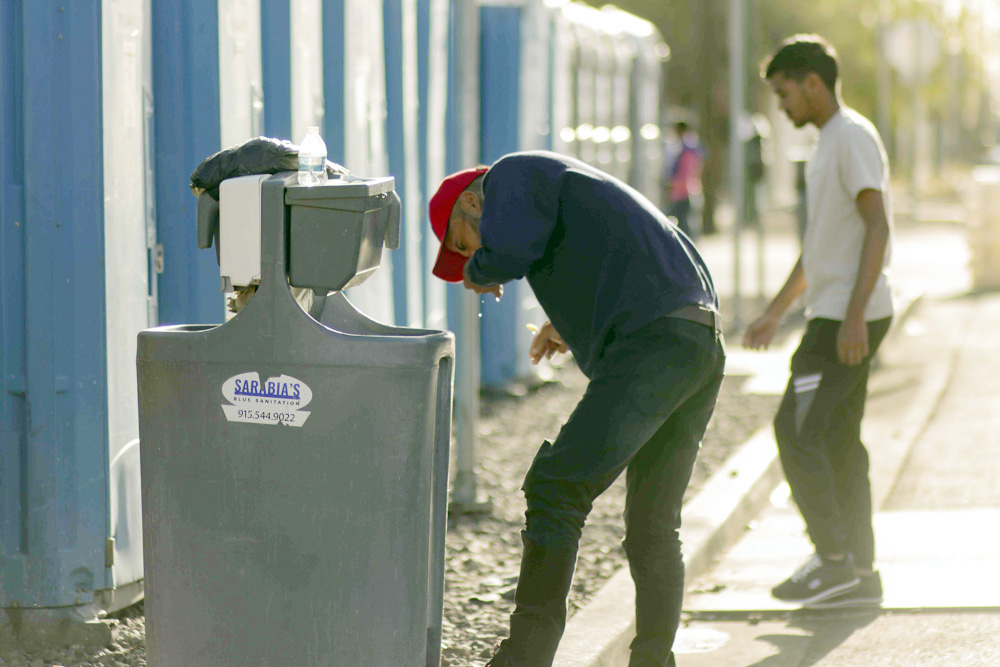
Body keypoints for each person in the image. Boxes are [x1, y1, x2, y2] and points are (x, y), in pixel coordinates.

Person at [428, 150, 725, 666]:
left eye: (462, 243)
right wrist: (568, 322)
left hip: (655, 344)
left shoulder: (509, 175)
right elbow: (607, 255)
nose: (470, 256)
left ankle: (524, 659)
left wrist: (480, 268)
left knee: (557, 486)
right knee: (653, 524)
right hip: (696, 341)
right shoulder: (557, 185)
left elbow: (510, 251)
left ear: (472, 203)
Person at [744, 34, 894, 609]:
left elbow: (877, 225)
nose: (782, 106)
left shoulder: (850, 136)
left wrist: (854, 317)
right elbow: (821, 248)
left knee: (795, 429)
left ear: (812, 82)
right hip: (836, 314)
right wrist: (774, 312)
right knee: (837, 440)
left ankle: (832, 562)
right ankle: (858, 572)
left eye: (785, 93)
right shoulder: (830, 141)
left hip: (842, 322)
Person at [664, 121, 703, 237]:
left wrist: (673, 184)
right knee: (682, 222)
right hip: (684, 192)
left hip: (683, 193)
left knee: (682, 224)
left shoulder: (687, 151)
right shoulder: (684, 149)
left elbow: (686, 174)